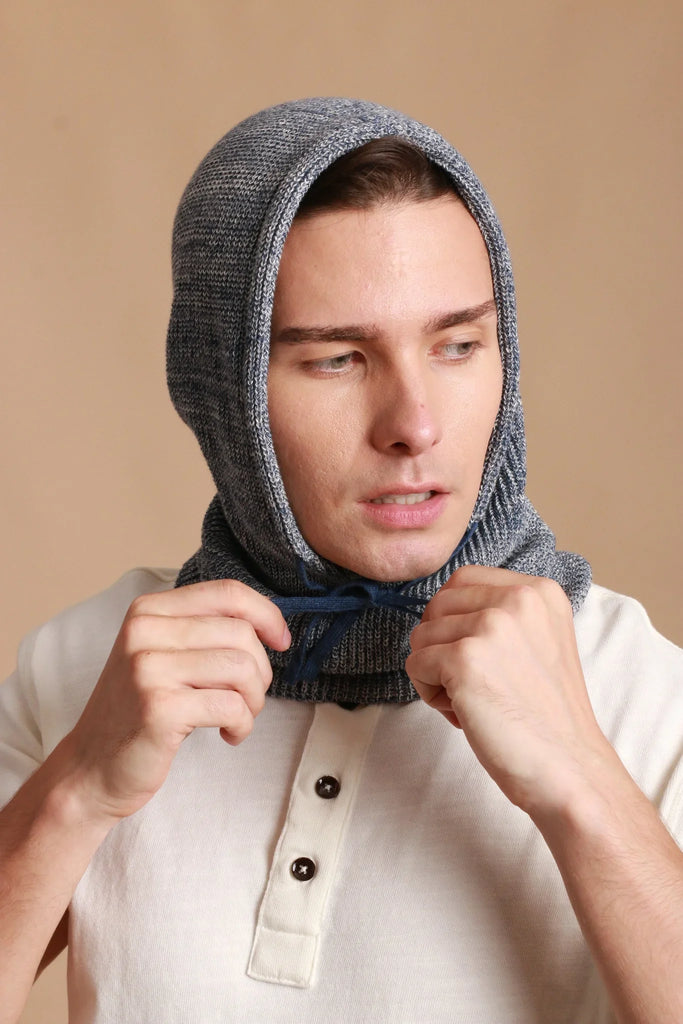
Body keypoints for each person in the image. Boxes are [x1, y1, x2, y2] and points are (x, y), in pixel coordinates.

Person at [1, 97, 682, 1024]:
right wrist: (77, 789)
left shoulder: (637, 688)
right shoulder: (96, 674)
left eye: (456, 345)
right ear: (220, 388)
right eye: (337, 360)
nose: (414, 425)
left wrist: (583, 782)